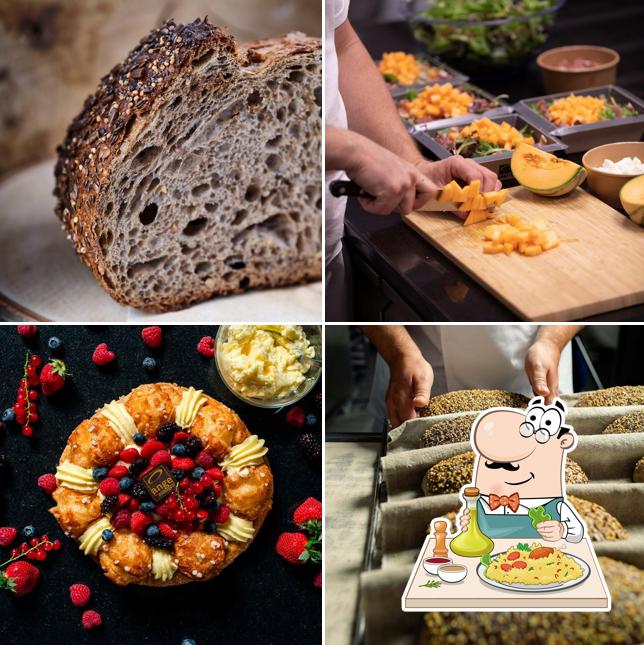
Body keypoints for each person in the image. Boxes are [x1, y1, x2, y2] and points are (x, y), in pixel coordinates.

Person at [325, 0, 500, 320]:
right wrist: (352, 151)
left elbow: (339, 43)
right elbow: (213, 112)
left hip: (321, 244)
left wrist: (413, 164)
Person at [362, 325, 583, 428]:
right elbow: (362, 286)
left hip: (531, 381)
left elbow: (582, 280)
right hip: (416, 377)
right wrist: (399, 352)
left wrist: (552, 341)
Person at [459, 397, 584, 543]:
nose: (508, 467)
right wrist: (468, 524)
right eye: (494, 464)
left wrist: (562, 530)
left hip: (546, 561)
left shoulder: (555, 506)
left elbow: (577, 535)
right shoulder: (480, 503)